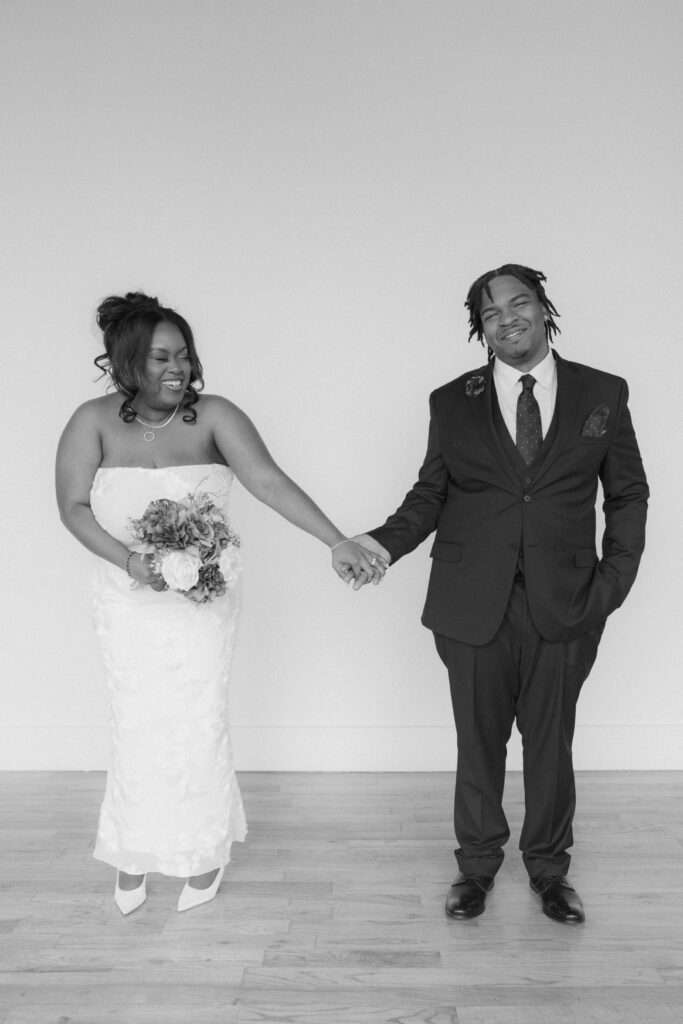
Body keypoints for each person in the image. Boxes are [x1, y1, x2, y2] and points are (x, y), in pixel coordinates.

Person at [56, 291, 385, 916]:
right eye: (159, 357)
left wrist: (336, 540)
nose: (176, 367)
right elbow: (71, 507)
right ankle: (133, 849)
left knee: (197, 717)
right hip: (126, 600)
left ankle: (203, 849)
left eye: (183, 354)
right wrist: (132, 562)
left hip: (203, 603)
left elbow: (267, 481)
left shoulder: (214, 416)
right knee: (137, 720)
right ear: (127, 362)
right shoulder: (90, 421)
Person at [352, 264, 648, 923]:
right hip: (469, 601)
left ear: (544, 309)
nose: (506, 317)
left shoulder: (602, 392)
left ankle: (549, 871)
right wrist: (380, 544)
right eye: (489, 313)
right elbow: (430, 494)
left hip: (567, 599)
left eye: (519, 303)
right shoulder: (450, 401)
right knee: (477, 741)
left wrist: (612, 584)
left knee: (551, 741)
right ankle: (476, 869)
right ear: (478, 329)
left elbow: (626, 493)